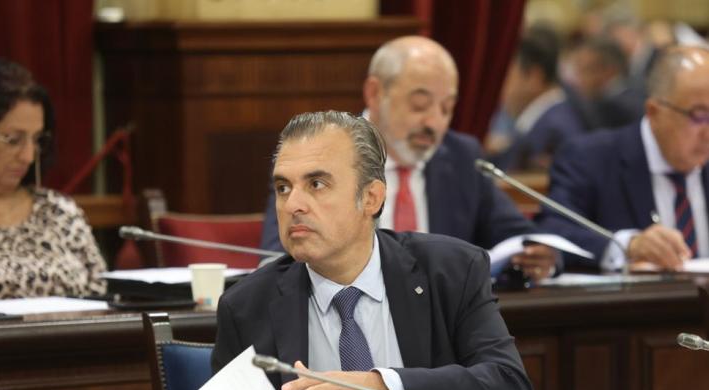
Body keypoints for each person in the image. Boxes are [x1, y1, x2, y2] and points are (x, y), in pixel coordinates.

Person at [188, 111, 533, 390]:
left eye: (316, 184)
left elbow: (510, 389)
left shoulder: (450, 272)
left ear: (371, 198)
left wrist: (383, 388)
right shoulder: (247, 307)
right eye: (283, 188)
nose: (292, 205)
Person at [260, 36, 558, 282]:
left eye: (446, 108)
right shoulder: (319, 154)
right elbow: (279, 258)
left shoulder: (461, 157)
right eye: (420, 105)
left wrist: (544, 257)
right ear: (375, 93)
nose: (435, 122)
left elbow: (521, 239)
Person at [537, 45, 709, 271]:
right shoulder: (589, 158)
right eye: (699, 115)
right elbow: (553, 230)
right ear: (654, 112)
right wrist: (627, 245)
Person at [0, 58, 106, 299]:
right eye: (13, 140)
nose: (28, 156)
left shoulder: (60, 212)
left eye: (37, 140)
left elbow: (103, 293)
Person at [487, 25, 586, 172]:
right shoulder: (548, 120)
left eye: (505, 75)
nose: (498, 86)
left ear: (533, 77)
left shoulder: (554, 132)